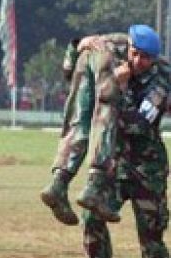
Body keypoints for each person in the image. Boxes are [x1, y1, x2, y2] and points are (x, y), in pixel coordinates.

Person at [74, 25, 171, 258]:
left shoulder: (162, 82)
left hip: (147, 168)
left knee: (151, 235)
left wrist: (116, 86)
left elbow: (136, 123)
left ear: (154, 60)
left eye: (146, 58)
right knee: (91, 216)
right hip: (114, 165)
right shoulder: (117, 57)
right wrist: (86, 43)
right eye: (135, 54)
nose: (139, 61)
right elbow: (96, 47)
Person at [40, 33, 129, 226]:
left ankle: (58, 184)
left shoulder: (104, 40)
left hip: (82, 56)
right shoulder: (145, 55)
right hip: (105, 58)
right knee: (104, 116)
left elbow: (66, 71)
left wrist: (79, 46)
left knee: (79, 122)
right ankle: (93, 187)